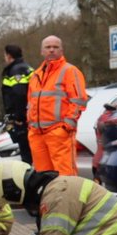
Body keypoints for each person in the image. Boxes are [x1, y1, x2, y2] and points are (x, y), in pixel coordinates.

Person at [26, 35, 87, 176]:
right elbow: (30, 103)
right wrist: (30, 125)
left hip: (59, 133)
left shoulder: (70, 71)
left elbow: (79, 100)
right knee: (43, 177)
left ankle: (67, 194)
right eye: (48, 47)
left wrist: (66, 126)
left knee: (66, 176)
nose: (51, 50)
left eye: (55, 47)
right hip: (37, 134)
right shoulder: (35, 75)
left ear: (61, 50)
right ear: (42, 51)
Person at [0, 43, 33, 164]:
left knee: (26, 154)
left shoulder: (15, 71)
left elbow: (19, 94)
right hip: (31, 115)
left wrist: (18, 117)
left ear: (9, 56)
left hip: (23, 119)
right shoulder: (27, 68)